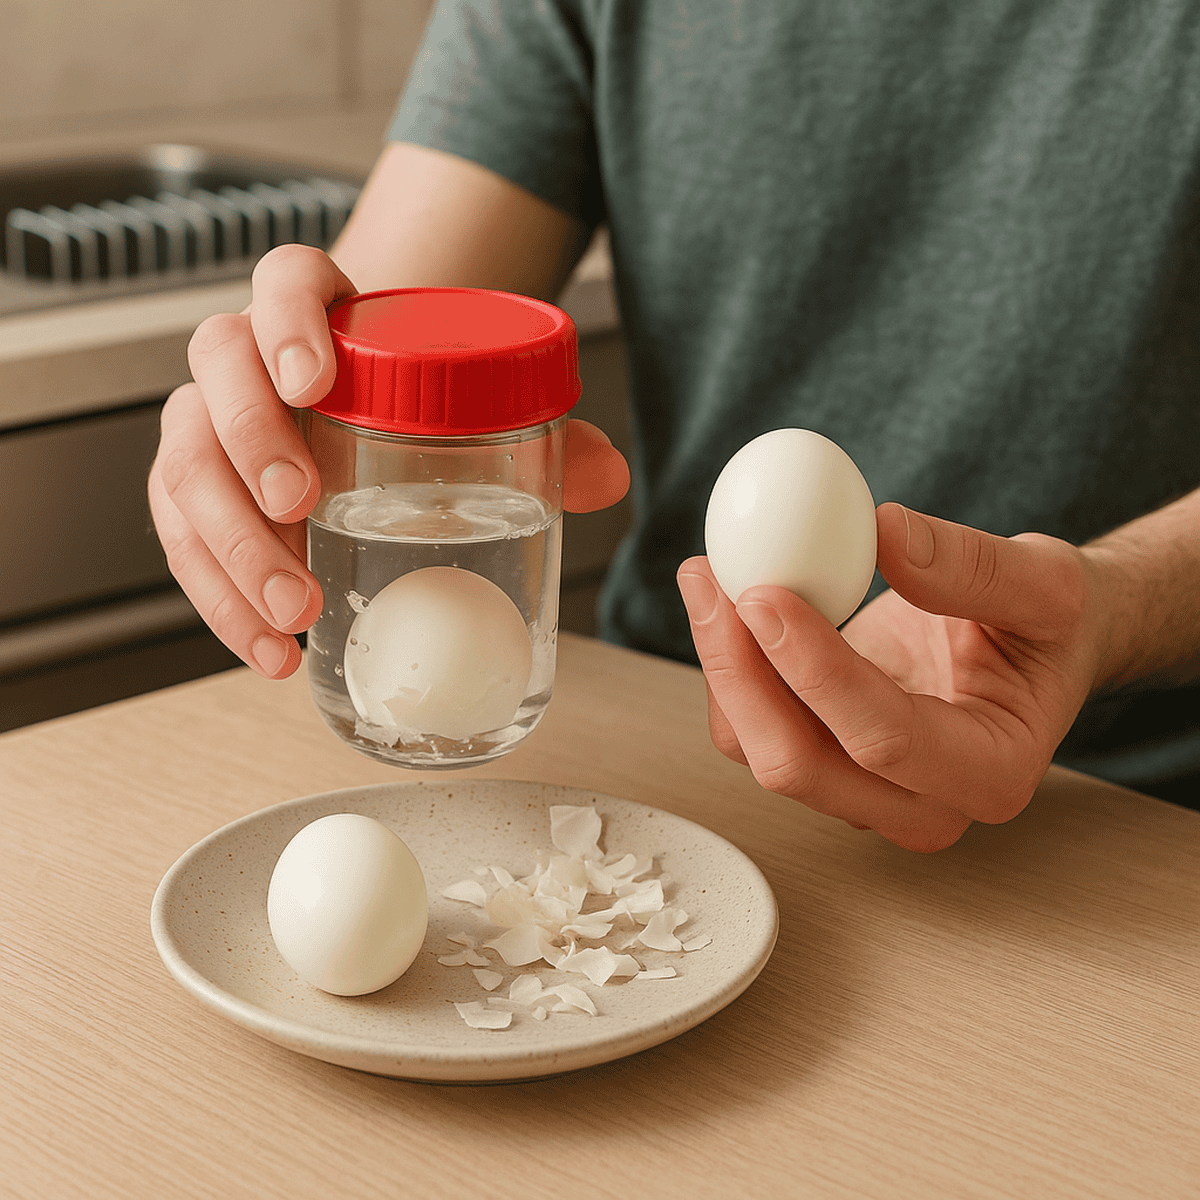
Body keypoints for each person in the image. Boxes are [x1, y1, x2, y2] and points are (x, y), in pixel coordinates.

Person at [148, 2, 1200, 847]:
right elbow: (399, 338)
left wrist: (1113, 608)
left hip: (1128, 816)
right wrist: (279, 401)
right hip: (671, 761)